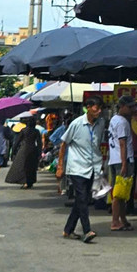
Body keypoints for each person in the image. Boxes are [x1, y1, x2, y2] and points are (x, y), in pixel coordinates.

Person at [57, 98, 105, 243]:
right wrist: (60, 166)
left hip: (93, 167)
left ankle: (68, 229)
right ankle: (87, 230)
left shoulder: (101, 123)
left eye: (100, 109)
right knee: (82, 198)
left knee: (82, 199)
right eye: (96, 108)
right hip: (77, 167)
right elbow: (63, 144)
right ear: (88, 107)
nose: (99, 111)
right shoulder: (76, 124)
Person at [107, 96, 137, 232]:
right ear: (123, 106)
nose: (133, 109)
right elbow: (122, 143)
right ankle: (115, 221)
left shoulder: (114, 120)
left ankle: (122, 220)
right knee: (119, 194)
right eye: (130, 107)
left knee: (122, 193)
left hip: (114, 159)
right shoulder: (122, 123)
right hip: (122, 160)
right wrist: (125, 163)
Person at [5, 117, 41, 189]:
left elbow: (17, 142)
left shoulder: (24, 130)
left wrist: (13, 152)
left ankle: (25, 182)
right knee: (31, 166)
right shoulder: (36, 131)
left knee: (23, 166)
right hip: (33, 149)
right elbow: (39, 143)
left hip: (24, 150)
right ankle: (30, 182)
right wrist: (39, 152)